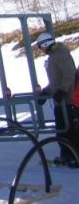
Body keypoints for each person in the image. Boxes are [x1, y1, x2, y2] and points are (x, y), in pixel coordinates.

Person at [35, 32, 78, 167]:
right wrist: (45, 92)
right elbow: (56, 81)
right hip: (61, 100)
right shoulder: (54, 56)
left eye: (40, 47)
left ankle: (73, 156)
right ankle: (66, 155)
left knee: (68, 130)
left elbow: (69, 74)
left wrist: (62, 91)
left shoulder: (61, 54)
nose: (41, 50)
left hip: (68, 100)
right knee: (61, 130)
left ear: (45, 44)